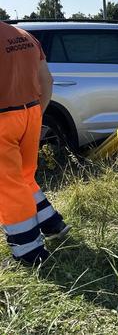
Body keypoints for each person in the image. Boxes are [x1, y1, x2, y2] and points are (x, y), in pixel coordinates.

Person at [0, 21, 69, 265]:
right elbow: (47, 81)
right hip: (30, 112)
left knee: (8, 187)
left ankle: (30, 253)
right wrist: (36, 115)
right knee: (24, 177)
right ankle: (52, 224)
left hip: (3, 118)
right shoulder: (24, 35)